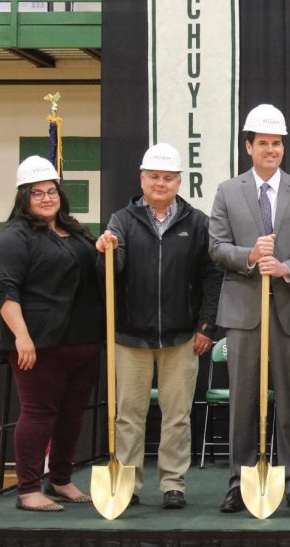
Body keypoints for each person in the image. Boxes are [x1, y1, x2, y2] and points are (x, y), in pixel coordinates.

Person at [209, 103, 290, 513]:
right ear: (249, 147)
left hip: (289, 310)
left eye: (277, 144)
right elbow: (216, 246)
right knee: (242, 401)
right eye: (263, 143)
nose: (271, 150)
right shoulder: (227, 191)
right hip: (243, 312)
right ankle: (238, 482)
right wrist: (250, 257)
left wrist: (285, 268)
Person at [95, 143, 222, 509]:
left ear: (180, 181)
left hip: (183, 337)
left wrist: (207, 326)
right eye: (154, 177)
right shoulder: (121, 220)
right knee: (128, 416)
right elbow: (112, 270)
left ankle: (173, 484)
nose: (161, 183)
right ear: (142, 179)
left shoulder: (197, 223)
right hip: (131, 337)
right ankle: (128, 484)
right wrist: (105, 250)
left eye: (168, 178)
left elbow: (212, 276)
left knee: (177, 417)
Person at [0, 156, 103, 512]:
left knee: (72, 415)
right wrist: (21, 337)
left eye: (51, 191)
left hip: (82, 339)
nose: (46, 198)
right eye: (36, 193)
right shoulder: (13, 236)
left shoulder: (76, 230)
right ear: (24, 197)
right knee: (38, 413)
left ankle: (61, 479)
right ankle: (28, 490)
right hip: (38, 344)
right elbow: (4, 291)